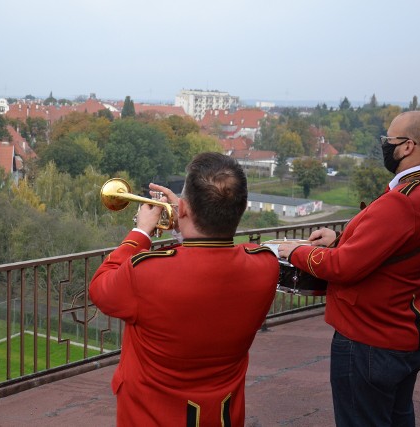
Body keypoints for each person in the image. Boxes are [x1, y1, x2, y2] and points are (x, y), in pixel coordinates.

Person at [278, 110, 420, 427]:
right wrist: (342, 237)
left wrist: (297, 251)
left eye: (389, 140)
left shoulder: (403, 200)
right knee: (398, 418)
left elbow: (344, 267)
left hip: (371, 337)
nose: (384, 145)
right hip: (408, 329)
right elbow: (398, 244)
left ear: (408, 146)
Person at [89, 152, 280, 426]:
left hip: (150, 417)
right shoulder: (265, 265)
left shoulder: (146, 272)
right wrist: (186, 222)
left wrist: (141, 232)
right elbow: (211, 257)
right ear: (242, 206)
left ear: (184, 208)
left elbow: (100, 289)